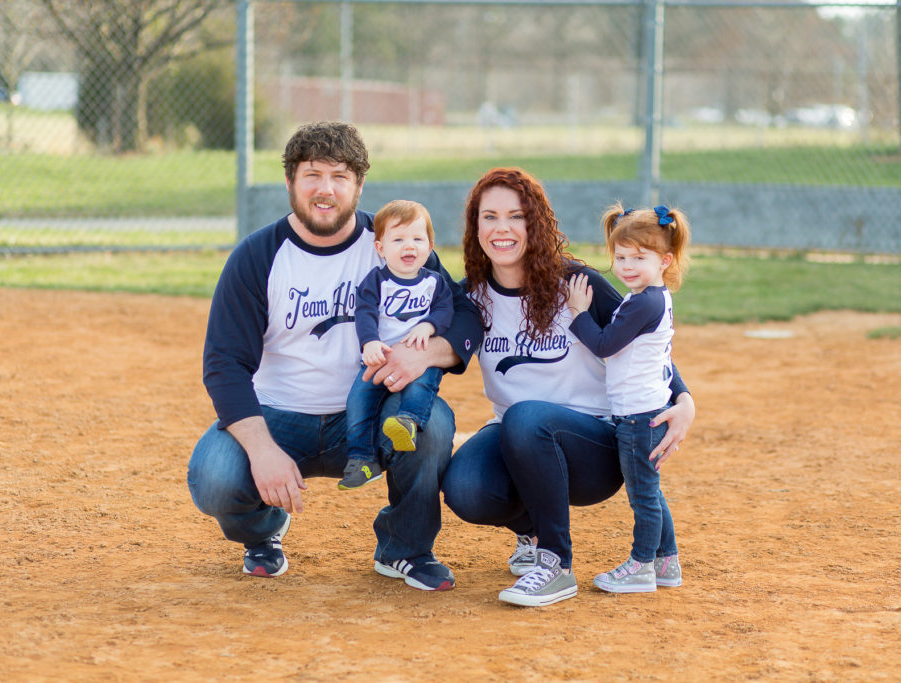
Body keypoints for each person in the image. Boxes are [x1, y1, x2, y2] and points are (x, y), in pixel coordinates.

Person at [187, 121, 480, 591]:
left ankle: (404, 549)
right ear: (290, 182)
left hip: (365, 412)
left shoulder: (392, 245)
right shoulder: (258, 256)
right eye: (312, 175)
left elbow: (465, 316)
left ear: (359, 186)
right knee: (215, 478)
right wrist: (262, 452)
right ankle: (263, 532)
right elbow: (224, 365)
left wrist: (427, 357)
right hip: (279, 416)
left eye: (340, 176)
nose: (326, 190)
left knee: (431, 423)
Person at [440, 167, 695, 607]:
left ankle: (555, 564)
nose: (502, 228)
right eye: (490, 217)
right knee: (465, 488)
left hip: (594, 446)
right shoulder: (472, 296)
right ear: (475, 225)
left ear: (534, 222)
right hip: (516, 436)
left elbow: (645, 346)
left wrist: (684, 399)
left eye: (516, 216)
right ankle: (531, 530)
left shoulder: (577, 285)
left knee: (528, 415)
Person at [565, 202, 692, 594]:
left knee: (643, 496)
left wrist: (579, 313)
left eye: (640, 257)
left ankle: (641, 565)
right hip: (643, 411)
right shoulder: (653, 297)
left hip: (638, 417)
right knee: (649, 488)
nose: (627, 266)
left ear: (665, 260)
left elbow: (605, 345)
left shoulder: (643, 302)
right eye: (620, 257)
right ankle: (666, 562)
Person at [339, 200, 454, 490]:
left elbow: (446, 310)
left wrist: (428, 327)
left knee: (421, 386)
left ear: (429, 246)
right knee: (359, 399)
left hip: (418, 357)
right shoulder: (375, 281)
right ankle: (361, 459)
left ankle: (409, 422)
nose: (409, 246)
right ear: (380, 248)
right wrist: (369, 343)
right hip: (379, 357)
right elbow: (364, 314)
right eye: (398, 239)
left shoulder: (434, 283)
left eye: (418, 239)